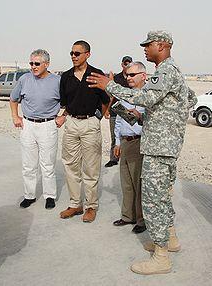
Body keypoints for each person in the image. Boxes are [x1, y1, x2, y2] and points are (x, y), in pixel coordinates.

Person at [87, 30, 197, 274]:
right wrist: (160, 117)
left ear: (163, 45)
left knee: (153, 201)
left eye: (148, 45)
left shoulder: (166, 71)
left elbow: (145, 97)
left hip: (160, 148)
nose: (145, 49)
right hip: (163, 145)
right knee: (162, 198)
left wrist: (112, 85)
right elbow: (186, 99)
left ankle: (161, 257)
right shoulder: (171, 72)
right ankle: (170, 240)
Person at [56, 40, 110, 223]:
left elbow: (106, 99)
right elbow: (65, 102)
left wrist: (97, 118)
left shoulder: (96, 75)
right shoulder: (65, 77)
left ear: (87, 54)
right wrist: (64, 117)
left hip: (90, 124)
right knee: (70, 165)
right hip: (71, 124)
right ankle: (75, 204)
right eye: (71, 53)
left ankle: (91, 206)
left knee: (91, 167)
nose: (73, 56)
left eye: (77, 53)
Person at [10, 49, 61, 209]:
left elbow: (69, 100)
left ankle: (50, 196)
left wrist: (64, 115)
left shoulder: (57, 81)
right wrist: (15, 117)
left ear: (47, 64)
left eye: (37, 63)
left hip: (48, 125)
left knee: (47, 164)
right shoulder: (24, 79)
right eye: (31, 63)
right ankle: (29, 195)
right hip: (28, 125)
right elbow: (13, 98)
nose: (33, 66)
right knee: (28, 164)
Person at [112, 61, 146, 234]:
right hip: (125, 142)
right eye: (127, 75)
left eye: (132, 75)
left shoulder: (148, 95)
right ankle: (127, 216)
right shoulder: (125, 95)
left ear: (143, 76)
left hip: (139, 142)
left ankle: (141, 219)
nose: (128, 78)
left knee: (138, 182)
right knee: (126, 182)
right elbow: (118, 120)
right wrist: (117, 142)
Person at [104, 56, 132, 168]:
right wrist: (107, 110)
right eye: (125, 64)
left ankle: (126, 159)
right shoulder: (117, 78)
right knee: (114, 137)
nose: (127, 66)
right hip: (116, 111)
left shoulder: (132, 77)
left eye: (129, 63)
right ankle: (113, 159)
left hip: (128, 111)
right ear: (122, 65)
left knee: (128, 136)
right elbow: (111, 96)